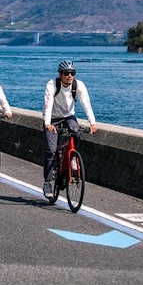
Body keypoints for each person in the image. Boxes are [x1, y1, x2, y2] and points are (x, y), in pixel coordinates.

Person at [42, 60, 97, 199]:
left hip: (68, 117)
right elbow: (48, 104)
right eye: (66, 73)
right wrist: (48, 123)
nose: (69, 76)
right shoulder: (52, 84)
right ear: (60, 74)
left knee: (76, 131)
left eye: (72, 73)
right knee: (51, 150)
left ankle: (72, 158)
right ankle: (48, 182)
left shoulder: (78, 85)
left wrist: (92, 122)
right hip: (52, 118)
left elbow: (86, 103)